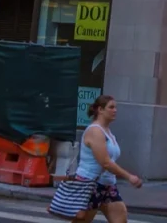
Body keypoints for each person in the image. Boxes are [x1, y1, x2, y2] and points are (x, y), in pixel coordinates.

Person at [60, 95, 143, 223]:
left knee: (120, 220)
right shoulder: (95, 131)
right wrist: (129, 177)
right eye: (111, 107)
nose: (115, 110)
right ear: (100, 110)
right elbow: (105, 162)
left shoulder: (108, 132)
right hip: (89, 184)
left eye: (115, 107)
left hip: (108, 184)